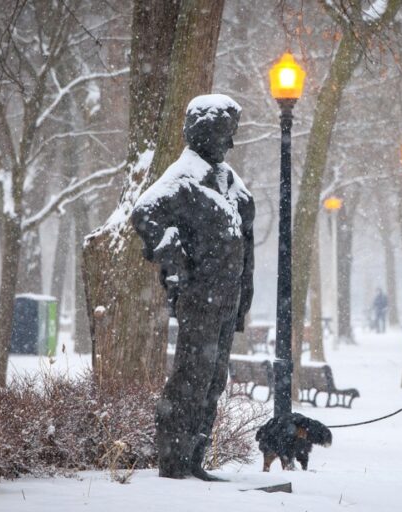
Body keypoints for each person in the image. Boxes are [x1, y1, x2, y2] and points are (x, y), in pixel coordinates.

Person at [131, 94, 254, 481]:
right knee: (190, 378)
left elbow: (245, 240)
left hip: (226, 302)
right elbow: (144, 213)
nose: (230, 144)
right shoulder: (183, 178)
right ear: (203, 132)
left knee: (214, 381)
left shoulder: (231, 183)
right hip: (200, 298)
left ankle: (194, 458)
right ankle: (173, 462)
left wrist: (242, 299)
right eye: (224, 134)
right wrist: (177, 263)